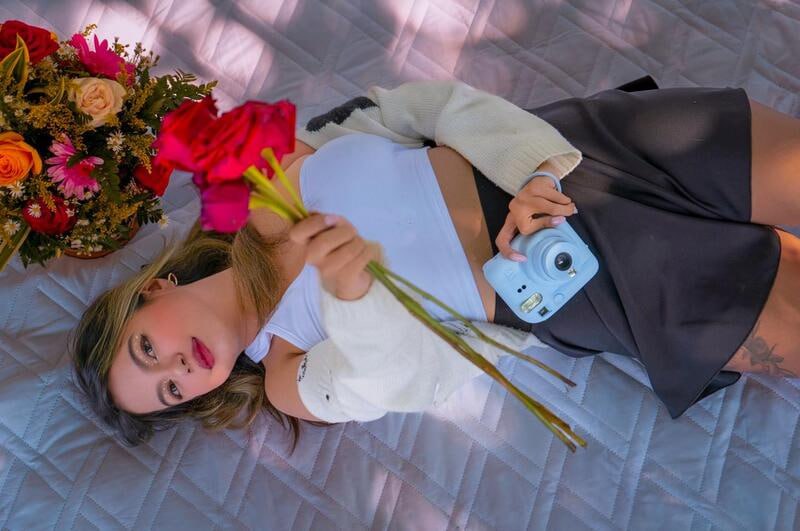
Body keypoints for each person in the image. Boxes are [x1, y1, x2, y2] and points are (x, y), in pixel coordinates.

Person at [72, 77, 800, 447]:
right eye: (172, 391)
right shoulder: (290, 373)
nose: (178, 368)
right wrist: (352, 293)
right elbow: (390, 381)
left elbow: (430, 107)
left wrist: (536, 169)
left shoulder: (270, 174)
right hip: (587, 282)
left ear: (156, 288)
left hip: (579, 153)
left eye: (148, 351)